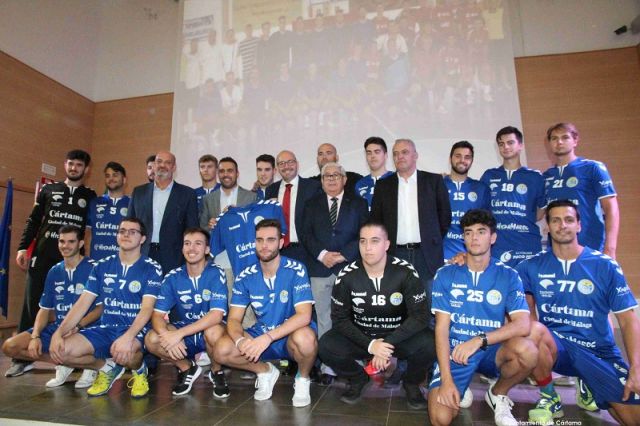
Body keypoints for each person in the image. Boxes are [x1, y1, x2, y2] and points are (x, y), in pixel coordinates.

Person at [518, 200, 640, 425]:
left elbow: (627, 319)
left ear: (579, 225)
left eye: (568, 220)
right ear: (547, 227)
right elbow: (526, 314)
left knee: (634, 418)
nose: (562, 225)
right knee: (532, 330)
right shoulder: (530, 266)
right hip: (558, 348)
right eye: (555, 220)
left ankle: (588, 383)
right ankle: (549, 396)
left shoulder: (605, 266)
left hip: (599, 352)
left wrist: (636, 368)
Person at [428, 209, 537, 426]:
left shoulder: (508, 275)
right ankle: (460, 383)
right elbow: (441, 329)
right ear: (463, 238)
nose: (474, 238)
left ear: (493, 237)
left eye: (481, 232)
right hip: (456, 353)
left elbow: (524, 324)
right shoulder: (446, 273)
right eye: (468, 233)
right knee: (440, 419)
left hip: (490, 351)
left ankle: (497, 393)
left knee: (528, 351)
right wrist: (447, 381)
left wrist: (479, 340)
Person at [318, 221, 435, 409]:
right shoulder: (346, 275)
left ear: (387, 245)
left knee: (431, 343)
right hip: (363, 338)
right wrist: (372, 345)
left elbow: (420, 316)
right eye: (363, 242)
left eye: (374, 241)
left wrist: (386, 344)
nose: (368, 248)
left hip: (398, 338)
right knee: (326, 345)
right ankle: (358, 378)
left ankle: (411, 383)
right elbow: (339, 319)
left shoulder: (405, 272)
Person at [48, 218, 162, 398]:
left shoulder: (152, 268)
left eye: (132, 232)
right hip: (106, 328)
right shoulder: (101, 266)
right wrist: (59, 332)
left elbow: (147, 309)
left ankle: (139, 370)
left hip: (135, 329)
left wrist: (128, 336)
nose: (126, 235)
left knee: (128, 352)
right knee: (60, 351)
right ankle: (107, 368)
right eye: (122, 231)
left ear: (142, 239)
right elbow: (82, 303)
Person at [8, 149, 96, 377]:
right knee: (33, 304)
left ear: (86, 169)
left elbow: (90, 229)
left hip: (74, 260)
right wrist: (22, 248)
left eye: (78, 165)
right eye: (70, 164)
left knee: (75, 305)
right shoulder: (49, 190)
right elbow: (33, 221)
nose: (74, 168)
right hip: (44, 254)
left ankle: (73, 357)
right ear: (65, 165)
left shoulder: (91, 196)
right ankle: (23, 358)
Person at [212, 219, 317, 407]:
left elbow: (304, 315)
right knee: (221, 350)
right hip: (261, 333)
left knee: (306, 339)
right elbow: (234, 319)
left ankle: (302, 379)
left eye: (270, 239)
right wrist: (240, 340)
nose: (264, 245)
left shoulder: (296, 269)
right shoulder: (245, 275)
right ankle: (265, 371)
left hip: (289, 335)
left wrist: (268, 337)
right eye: (259, 240)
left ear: (281, 242)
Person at [2, 225, 101, 388]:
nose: (65, 246)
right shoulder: (54, 271)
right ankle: (66, 363)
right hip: (58, 328)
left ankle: (91, 366)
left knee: (68, 345)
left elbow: (100, 308)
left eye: (71, 242)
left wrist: (77, 326)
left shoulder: (94, 268)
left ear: (81, 244)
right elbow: (44, 309)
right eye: (62, 241)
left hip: (85, 328)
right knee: (10, 346)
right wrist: (35, 336)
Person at [301, 162, 369, 385]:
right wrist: (322, 255)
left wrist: (343, 255)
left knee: (351, 316)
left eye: (336, 175)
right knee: (323, 318)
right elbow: (306, 234)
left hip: (348, 268)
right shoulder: (311, 205)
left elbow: (363, 233)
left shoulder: (358, 204)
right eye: (326, 176)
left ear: (344, 179)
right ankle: (329, 364)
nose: (331, 179)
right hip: (319, 269)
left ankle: (353, 361)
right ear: (321, 181)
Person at [145, 228, 228, 397]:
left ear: (207, 249)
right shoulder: (172, 277)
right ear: (182, 249)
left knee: (214, 331)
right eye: (187, 244)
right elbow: (157, 315)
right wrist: (168, 336)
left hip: (209, 330)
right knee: (152, 338)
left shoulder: (216, 272)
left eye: (198, 244)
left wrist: (178, 334)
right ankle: (187, 368)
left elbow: (216, 315)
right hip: (186, 334)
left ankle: (216, 371)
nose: (192, 248)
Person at [370, 138, 451, 300]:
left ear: (415, 155)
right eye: (396, 154)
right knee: (397, 304)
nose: (400, 157)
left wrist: (430, 240)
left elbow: (445, 217)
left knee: (429, 305)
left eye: (405, 152)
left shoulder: (433, 181)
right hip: (395, 254)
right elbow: (376, 221)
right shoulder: (383, 186)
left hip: (426, 255)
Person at [543, 122, 619, 259]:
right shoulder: (547, 176)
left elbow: (611, 208)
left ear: (575, 141)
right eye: (554, 138)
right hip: (557, 251)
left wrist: (610, 248)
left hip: (591, 246)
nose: (559, 142)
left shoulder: (592, 168)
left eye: (565, 137)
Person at [480, 126, 545, 266]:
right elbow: (482, 210)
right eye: (501, 144)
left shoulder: (535, 177)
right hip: (497, 246)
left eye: (510, 142)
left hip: (527, 246)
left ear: (520, 145)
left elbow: (540, 212)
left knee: (529, 287)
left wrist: (522, 221)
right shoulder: (489, 175)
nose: (506, 147)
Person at [128, 150, 199, 275]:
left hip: (174, 258)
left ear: (174, 167)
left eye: (167, 162)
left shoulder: (187, 194)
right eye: (159, 162)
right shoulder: (138, 192)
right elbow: (129, 224)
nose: (162, 165)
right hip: (142, 254)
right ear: (154, 165)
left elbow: (192, 230)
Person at [265, 150, 322, 264]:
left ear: (297, 164)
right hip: (278, 252)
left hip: (305, 251)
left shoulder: (313, 187)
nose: (286, 166)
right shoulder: (271, 190)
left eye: (290, 162)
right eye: (281, 163)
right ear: (277, 168)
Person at [443, 141, 490, 259]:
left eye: (467, 157)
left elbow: (486, 224)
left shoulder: (481, 188)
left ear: (472, 161)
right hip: (441, 255)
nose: (462, 160)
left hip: (471, 255)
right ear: (450, 158)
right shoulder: (437, 185)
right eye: (458, 156)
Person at [86, 161, 130, 261]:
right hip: (96, 259)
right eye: (107, 176)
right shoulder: (94, 202)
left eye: (115, 175)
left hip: (122, 261)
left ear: (124, 179)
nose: (111, 179)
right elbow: (87, 233)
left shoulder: (132, 203)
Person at [199, 157, 256, 231]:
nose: (225, 174)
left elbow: (256, 226)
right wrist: (210, 228)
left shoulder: (251, 197)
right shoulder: (207, 199)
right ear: (218, 174)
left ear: (237, 174)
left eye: (230, 171)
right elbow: (202, 229)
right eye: (222, 171)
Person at [354, 136, 394, 210]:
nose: (372, 156)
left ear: (385, 155)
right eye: (369, 153)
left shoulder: (396, 179)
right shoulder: (360, 184)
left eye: (377, 152)